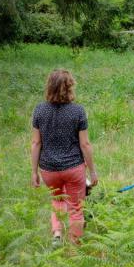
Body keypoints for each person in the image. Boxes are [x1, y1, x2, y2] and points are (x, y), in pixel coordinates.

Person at [30, 69, 98, 243]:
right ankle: (75, 246)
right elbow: (85, 144)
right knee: (76, 207)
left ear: (49, 87)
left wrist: (34, 172)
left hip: (48, 170)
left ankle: (57, 235)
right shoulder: (78, 112)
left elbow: (36, 143)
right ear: (69, 88)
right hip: (73, 168)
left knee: (58, 200)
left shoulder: (39, 110)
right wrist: (92, 172)